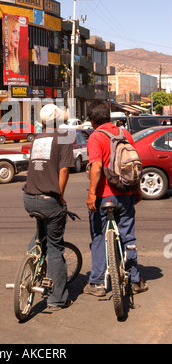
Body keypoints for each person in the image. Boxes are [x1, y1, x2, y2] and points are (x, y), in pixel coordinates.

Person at [84, 101, 148, 297]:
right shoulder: (124, 134)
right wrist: (136, 190)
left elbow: (96, 167)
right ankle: (135, 280)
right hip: (126, 194)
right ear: (109, 116)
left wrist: (91, 194)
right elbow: (134, 163)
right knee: (128, 236)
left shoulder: (96, 137)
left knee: (98, 237)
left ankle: (96, 283)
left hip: (104, 196)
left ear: (93, 121)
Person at [23, 103, 75, 311]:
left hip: (28, 198)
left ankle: (32, 260)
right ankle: (58, 298)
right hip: (49, 200)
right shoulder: (63, 137)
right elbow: (64, 171)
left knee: (40, 235)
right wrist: (61, 198)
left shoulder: (37, 138)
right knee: (55, 247)